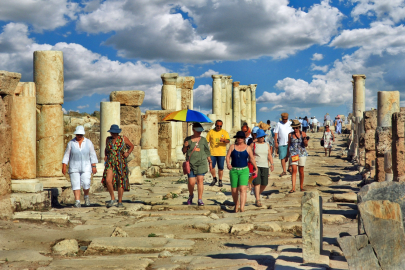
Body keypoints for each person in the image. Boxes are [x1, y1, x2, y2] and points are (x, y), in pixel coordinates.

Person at [62, 126, 98, 208]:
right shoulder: (71, 143)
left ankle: (86, 196)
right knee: (75, 184)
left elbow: (92, 154)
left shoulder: (88, 142)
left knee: (86, 183)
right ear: (76, 134)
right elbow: (66, 155)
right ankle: (77, 201)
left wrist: (94, 166)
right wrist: (64, 165)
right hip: (74, 166)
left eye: (81, 134)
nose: (79, 136)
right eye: (78, 134)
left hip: (86, 166)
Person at [101, 124, 134, 208]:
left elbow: (131, 146)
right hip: (110, 162)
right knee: (108, 180)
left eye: (115, 133)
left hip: (120, 162)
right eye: (112, 132)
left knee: (120, 181)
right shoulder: (108, 139)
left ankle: (120, 201)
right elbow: (106, 149)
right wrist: (105, 155)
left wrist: (128, 152)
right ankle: (112, 198)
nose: (113, 134)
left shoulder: (123, 139)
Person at [226, 131, 257, 213]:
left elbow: (252, 158)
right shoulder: (232, 146)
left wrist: (256, 168)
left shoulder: (248, 148)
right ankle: (236, 205)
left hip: (244, 170)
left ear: (244, 139)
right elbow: (228, 156)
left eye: (241, 137)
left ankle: (242, 208)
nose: (240, 139)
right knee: (234, 190)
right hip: (234, 170)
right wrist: (228, 164)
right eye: (238, 137)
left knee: (243, 189)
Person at [183, 123, 212, 206]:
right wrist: (185, 146)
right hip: (191, 164)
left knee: (200, 181)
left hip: (201, 163)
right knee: (191, 182)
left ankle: (200, 199)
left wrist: (210, 162)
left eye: (200, 131)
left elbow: (207, 151)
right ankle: (191, 195)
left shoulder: (203, 140)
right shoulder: (187, 139)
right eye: (198, 131)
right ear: (193, 130)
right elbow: (184, 151)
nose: (199, 133)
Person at [251, 129, 274, 207]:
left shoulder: (266, 144)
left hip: (265, 166)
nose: (262, 138)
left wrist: (272, 164)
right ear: (257, 137)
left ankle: (256, 193)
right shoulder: (253, 144)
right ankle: (258, 199)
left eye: (263, 136)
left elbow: (269, 155)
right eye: (261, 137)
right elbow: (249, 154)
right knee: (257, 183)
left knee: (264, 183)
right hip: (256, 166)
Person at [206, 120, 230, 187]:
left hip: (221, 153)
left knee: (221, 167)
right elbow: (207, 141)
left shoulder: (224, 132)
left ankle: (220, 180)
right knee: (211, 167)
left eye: (220, 126)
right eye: (217, 126)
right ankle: (214, 178)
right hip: (212, 153)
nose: (219, 127)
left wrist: (224, 140)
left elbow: (228, 140)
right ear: (215, 125)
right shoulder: (211, 132)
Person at [287, 120, 309, 193]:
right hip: (293, 154)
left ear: (299, 127)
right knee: (294, 170)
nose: (295, 129)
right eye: (294, 128)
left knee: (301, 171)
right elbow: (289, 144)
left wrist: (306, 142)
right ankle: (293, 187)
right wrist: (287, 154)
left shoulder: (303, 134)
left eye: (296, 127)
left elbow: (306, 145)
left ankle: (301, 186)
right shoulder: (290, 134)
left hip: (302, 153)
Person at [274, 112, 293, 177]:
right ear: (281, 118)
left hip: (290, 143)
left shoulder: (290, 123)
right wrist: (276, 142)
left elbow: (292, 132)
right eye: (284, 119)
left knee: (290, 156)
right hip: (281, 143)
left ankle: (289, 168)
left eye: (286, 119)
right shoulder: (278, 124)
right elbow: (276, 133)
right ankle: (284, 170)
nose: (285, 120)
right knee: (282, 157)